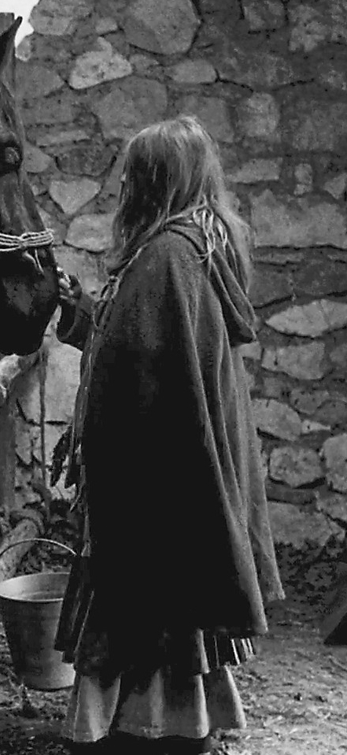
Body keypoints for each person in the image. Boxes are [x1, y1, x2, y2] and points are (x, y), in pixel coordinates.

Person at [52, 115, 285, 755]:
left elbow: (155, 375)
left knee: (151, 597)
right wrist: (83, 318)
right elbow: (140, 347)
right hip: (177, 463)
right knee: (175, 594)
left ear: (155, 184)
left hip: (158, 473)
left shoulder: (169, 258)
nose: (124, 188)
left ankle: (152, 727)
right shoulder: (187, 249)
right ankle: (174, 723)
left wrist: (105, 458)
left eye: (133, 177)